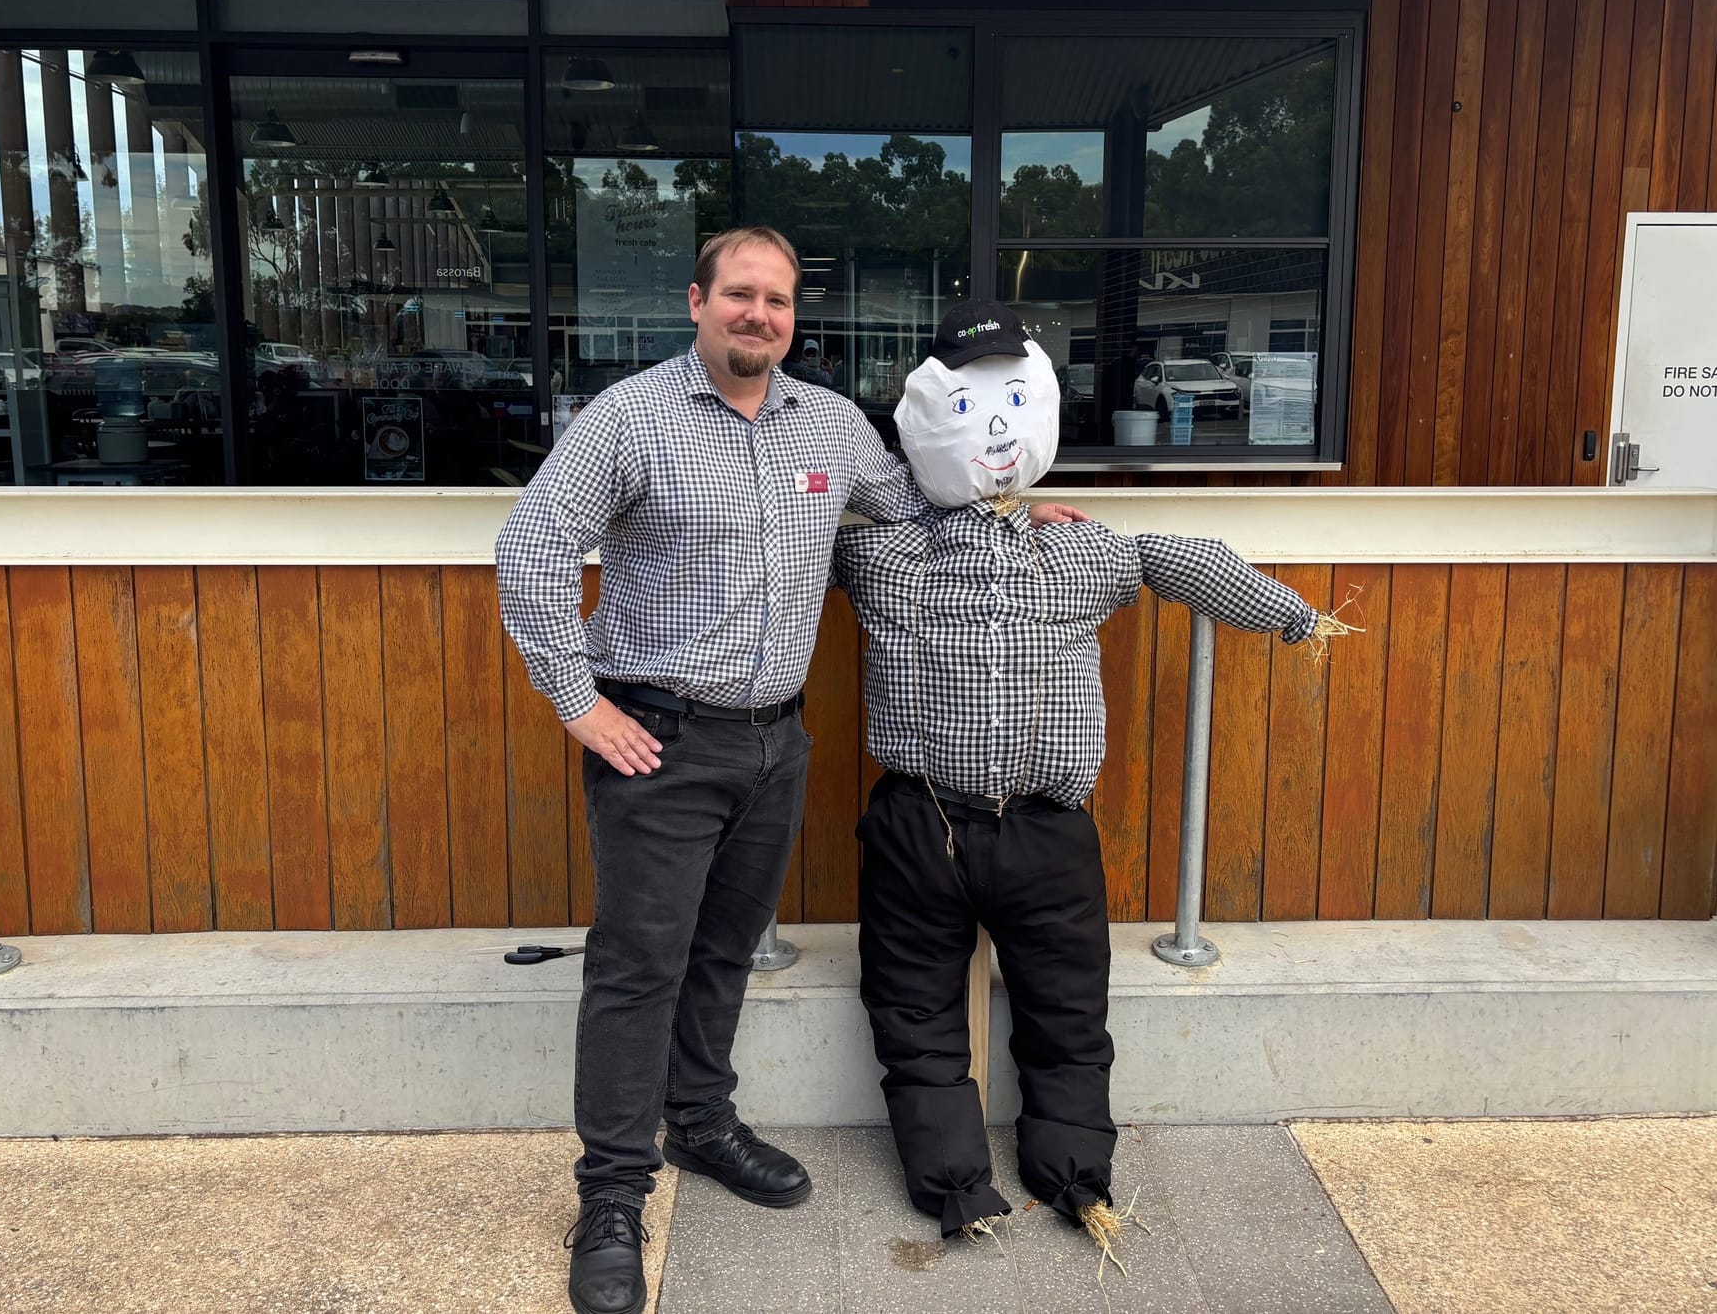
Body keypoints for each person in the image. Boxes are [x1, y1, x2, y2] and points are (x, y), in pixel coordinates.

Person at [495, 234, 1084, 1314]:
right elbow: (531, 547)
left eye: (775, 300)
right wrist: (579, 705)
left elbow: (920, 512)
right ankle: (614, 1194)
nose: (756, 315)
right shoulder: (629, 419)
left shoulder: (829, 426)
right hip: (661, 739)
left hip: (776, 741)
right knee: (638, 969)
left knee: (723, 952)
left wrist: (1017, 522)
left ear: (792, 316)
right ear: (697, 303)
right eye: (738, 296)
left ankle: (703, 1123)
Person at [830, 301, 1321, 1247]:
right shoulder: (876, 549)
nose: (998, 429)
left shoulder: (1083, 550)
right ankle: (952, 1184)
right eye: (972, 410)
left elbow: (1176, 559)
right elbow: (777, 550)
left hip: (1048, 827)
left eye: (1014, 402)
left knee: (1066, 1009)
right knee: (912, 1010)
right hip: (917, 821)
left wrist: (1295, 615)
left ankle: (1074, 1178)